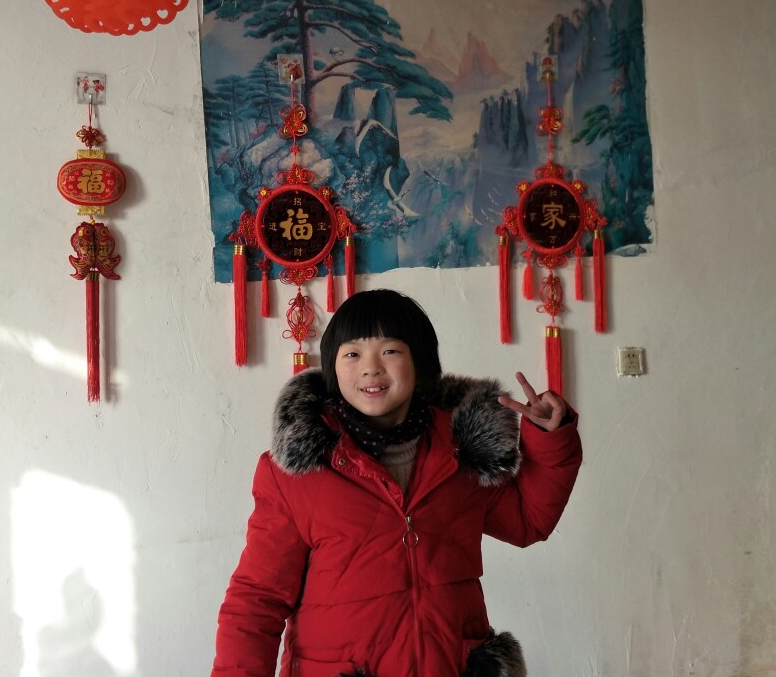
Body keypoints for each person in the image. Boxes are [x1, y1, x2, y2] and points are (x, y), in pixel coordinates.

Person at [210, 289, 582, 677]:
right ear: (333, 368)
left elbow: (527, 521)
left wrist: (548, 439)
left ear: (420, 360)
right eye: (352, 354)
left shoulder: (464, 451)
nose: (370, 368)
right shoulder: (295, 473)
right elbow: (258, 597)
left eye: (389, 351)